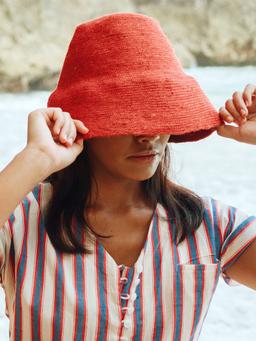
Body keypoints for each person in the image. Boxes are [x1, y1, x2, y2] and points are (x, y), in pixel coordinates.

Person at [0, 12, 256, 341]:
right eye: (127, 117)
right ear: (84, 121)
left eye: (159, 112)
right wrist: (36, 158)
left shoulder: (209, 224)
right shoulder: (21, 220)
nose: (148, 134)